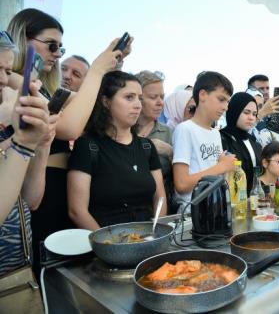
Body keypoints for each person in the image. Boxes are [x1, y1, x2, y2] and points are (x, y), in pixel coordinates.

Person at [7, 8, 127, 277]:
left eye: (61, 47)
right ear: (22, 39)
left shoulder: (46, 89)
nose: (57, 54)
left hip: (50, 186)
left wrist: (109, 69)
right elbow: (70, 127)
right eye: (51, 45)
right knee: (44, 275)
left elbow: (93, 108)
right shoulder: (15, 80)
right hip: (36, 189)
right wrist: (96, 69)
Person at [67, 71, 166, 230]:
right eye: (129, 97)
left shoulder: (146, 146)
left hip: (148, 240)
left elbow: (160, 197)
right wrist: (109, 244)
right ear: (106, 101)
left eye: (139, 98)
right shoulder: (87, 146)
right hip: (105, 244)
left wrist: (156, 233)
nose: (137, 105)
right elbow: (77, 211)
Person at [0, 32, 55, 276]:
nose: (3, 80)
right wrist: (19, 142)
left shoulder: (10, 124)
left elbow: (31, 200)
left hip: (18, 273)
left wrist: (41, 144)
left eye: (7, 70)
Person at [172, 71, 236, 212]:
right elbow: (182, 184)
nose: (225, 107)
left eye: (227, 101)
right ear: (202, 95)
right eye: (221, 99)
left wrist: (225, 165)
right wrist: (222, 166)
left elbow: (217, 174)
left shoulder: (215, 133)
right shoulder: (185, 129)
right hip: (193, 213)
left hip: (216, 207)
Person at [135, 70, 175, 213]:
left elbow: (181, 178)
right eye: (153, 97)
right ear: (137, 98)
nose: (160, 103)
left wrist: (170, 152)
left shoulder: (168, 132)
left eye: (162, 97)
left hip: (161, 209)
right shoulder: (122, 131)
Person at [220, 92, 262, 195]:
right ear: (234, 111)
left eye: (254, 114)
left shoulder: (253, 141)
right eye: (246, 112)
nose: (251, 117)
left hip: (252, 200)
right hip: (232, 201)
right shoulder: (221, 138)